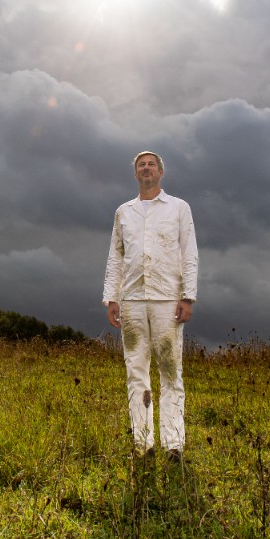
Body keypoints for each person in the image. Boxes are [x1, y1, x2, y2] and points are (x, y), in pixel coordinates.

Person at [103, 150, 198, 461]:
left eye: (151, 164)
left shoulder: (179, 208)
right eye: (141, 165)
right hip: (131, 301)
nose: (146, 168)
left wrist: (188, 296)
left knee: (170, 372)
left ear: (160, 172)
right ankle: (143, 444)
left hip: (167, 299)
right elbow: (116, 256)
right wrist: (111, 297)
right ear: (136, 174)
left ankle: (174, 445)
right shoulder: (123, 212)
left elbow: (189, 253)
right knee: (136, 373)